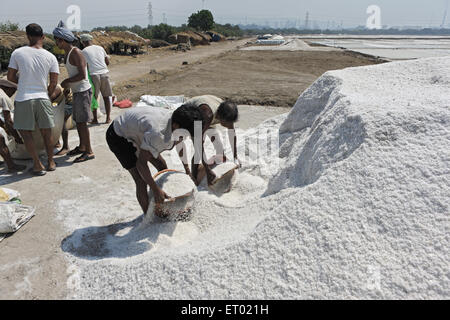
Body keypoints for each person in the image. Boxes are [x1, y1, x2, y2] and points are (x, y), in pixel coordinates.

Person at [106, 105, 204, 214]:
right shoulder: (158, 134)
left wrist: (188, 171)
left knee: (162, 166)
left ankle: (163, 203)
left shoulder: (178, 121)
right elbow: (141, 164)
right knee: (141, 180)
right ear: (176, 126)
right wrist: (155, 189)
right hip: (118, 136)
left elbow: (179, 145)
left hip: (138, 131)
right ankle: (148, 218)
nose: (186, 137)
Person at [7, 23, 59, 176]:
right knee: (47, 132)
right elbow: (54, 82)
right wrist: (47, 95)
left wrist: (23, 83)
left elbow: (10, 77)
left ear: (27, 36)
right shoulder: (51, 56)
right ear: (43, 36)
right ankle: (51, 162)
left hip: (24, 98)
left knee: (26, 133)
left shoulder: (18, 53)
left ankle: (37, 165)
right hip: (43, 98)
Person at [53, 21, 95, 163]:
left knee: (82, 122)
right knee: (78, 121)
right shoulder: (68, 53)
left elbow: (83, 75)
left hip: (83, 91)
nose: (56, 43)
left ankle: (89, 151)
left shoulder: (76, 52)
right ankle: (82, 146)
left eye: (56, 40)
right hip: (77, 91)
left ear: (62, 40)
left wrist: (66, 83)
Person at [183, 95, 240, 185]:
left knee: (219, 147)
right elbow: (198, 146)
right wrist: (207, 170)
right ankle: (194, 179)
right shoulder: (207, 114)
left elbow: (232, 134)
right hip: (191, 116)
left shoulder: (227, 112)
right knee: (198, 153)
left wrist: (235, 157)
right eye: (228, 123)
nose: (229, 125)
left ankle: (218, 171)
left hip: (208, 118)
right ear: (221, 118)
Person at [80, 33, 113, 124]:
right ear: (91, 40)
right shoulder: (100, 48)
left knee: (94, 97)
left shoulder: (83, 51)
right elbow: (107, 62)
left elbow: (85, 66)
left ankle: (95, 119)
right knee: (106, 97)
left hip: (94, 75)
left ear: (83, 42)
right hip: (104, 73)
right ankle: (108, 118)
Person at [0, 78, 26, 172]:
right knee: (1, 140)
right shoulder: (3, 97)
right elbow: (9, 122)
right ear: (7, 88)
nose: (12, 94)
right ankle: (11, 166)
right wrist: (18, 139)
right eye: (13, 91)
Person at [51, 84, 73, 156]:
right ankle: (57, 142)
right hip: (60, 104)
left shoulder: (55, 88)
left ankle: (66, 147)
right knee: (54, 117)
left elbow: (49, 99)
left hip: (69, 104)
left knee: (61, 121)